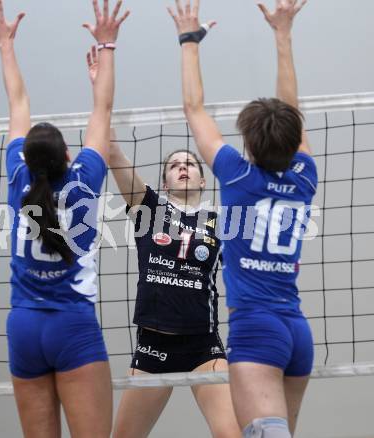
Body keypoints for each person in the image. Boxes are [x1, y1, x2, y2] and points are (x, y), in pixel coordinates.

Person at [0, 1, 129, 437]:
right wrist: (106, 46)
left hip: (23, 326)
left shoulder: (17, 178)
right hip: (71, 326)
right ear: (68, 155)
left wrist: (5, 45)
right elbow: (103, 114)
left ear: (26, 158)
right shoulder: (84, 182)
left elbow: (17, 101)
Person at [168, 0, 315, 436]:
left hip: (256, 331)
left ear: (247, 143)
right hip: (295, 331)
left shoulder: (236, 175)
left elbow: (194, 109)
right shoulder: (305, 175)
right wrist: (283, 34)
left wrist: (188, 40)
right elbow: (293, 112)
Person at [84, 45, 240, 438]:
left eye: (190, 163)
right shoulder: (148, 210)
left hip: (204, 346)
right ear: (165, 179)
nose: (183, 167)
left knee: (233, 434)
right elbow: (113, 151)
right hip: (154, 346)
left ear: (203, 180)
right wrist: (98, 88)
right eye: (175, 164)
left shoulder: (221, 222)